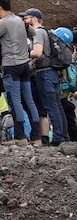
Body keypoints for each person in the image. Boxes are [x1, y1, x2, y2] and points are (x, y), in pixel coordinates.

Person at [0, 0, 41, 146]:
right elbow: (33, 33)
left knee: (14, 100)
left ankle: (20, 137)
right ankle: (37, 137)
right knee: (29, 100)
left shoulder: (3, 23)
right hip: (24, 65)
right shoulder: (19, 21)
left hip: (10, 66)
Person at [21, 8, 69, 145]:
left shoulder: (37, 33)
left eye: (26, 18)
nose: (25, 21)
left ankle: (59, 138)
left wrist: (22, 56)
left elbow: (37, 52)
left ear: (34, 19)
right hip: (52, 73)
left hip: (44, 73)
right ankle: (63, 135)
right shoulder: (46, 32)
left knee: (50, 106)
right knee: (57, 105)